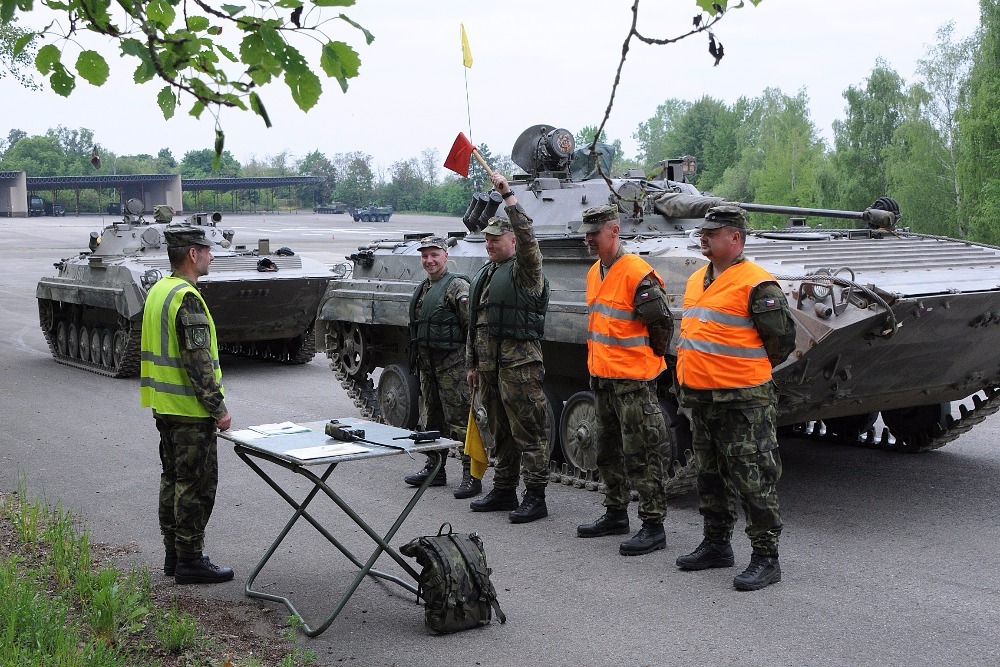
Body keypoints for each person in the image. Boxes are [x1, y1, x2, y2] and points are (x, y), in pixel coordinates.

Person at [674, 204, 796, 591]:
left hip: (744, 401)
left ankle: (766, 557)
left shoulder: (757, 284)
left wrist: (741, 373)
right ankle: (716, 544)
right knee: (710, 475)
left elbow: (781, 342)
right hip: (702, 397)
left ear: (735, 238)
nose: (703, 238)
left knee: (753, 478)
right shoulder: (697, 279)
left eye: (712, 233)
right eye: (702, 233)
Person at [575, 204, 674, 556]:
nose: (589, 239)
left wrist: (646, 361)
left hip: (633, 382)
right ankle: (615, 513)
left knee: (642, 453)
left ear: (614, 231)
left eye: (595, 233)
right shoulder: (595, 272)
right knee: (607, 451)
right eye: (586, 234)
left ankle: (653, 525)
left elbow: (662, 325)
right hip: (603, 379)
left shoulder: (637, 273)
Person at [140, 224, 235, 585]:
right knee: (195, 486)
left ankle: (174, 554)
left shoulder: (159, 290)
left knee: (172, 480)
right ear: (193, 254)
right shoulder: (186, 297)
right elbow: (198, 361)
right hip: (190, 411)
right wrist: (218, 408)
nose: (211, 256)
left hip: (164, 406)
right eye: (207, 250)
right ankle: (191, 559)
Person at [466, 172, 551, 524]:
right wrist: (472, 364)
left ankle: (536, 495)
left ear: (512, 240)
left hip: (519, 366)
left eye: (496, 239)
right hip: (490, 367)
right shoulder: (487, 274)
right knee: (500, 430)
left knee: (529, 431)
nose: (489, 244)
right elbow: (476, 323)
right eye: (486, 239)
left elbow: (529, 239)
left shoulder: (525, 271)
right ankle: (504, 488)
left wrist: (508, 198)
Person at [402, 235, 481, 499]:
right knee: (432, 419)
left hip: (453, 367)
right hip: (428, 367)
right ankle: (435, 468)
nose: (429, 260)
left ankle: (471, 475)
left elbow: (471, 329)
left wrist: (473, 365)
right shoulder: (425, 288)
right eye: (425, 256)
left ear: (445, 256)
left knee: (460, 421)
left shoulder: (457, 286)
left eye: (434, 255)